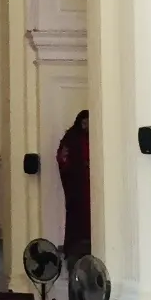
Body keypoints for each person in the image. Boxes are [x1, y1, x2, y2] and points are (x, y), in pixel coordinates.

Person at [57, 109, 91, 262]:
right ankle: (74, 246)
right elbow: (62, 157)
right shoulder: (71, 137)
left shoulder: (96, 136)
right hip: (77, 183)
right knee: (77, 213)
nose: (86, 126)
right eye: (84, 123)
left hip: (91, 183)